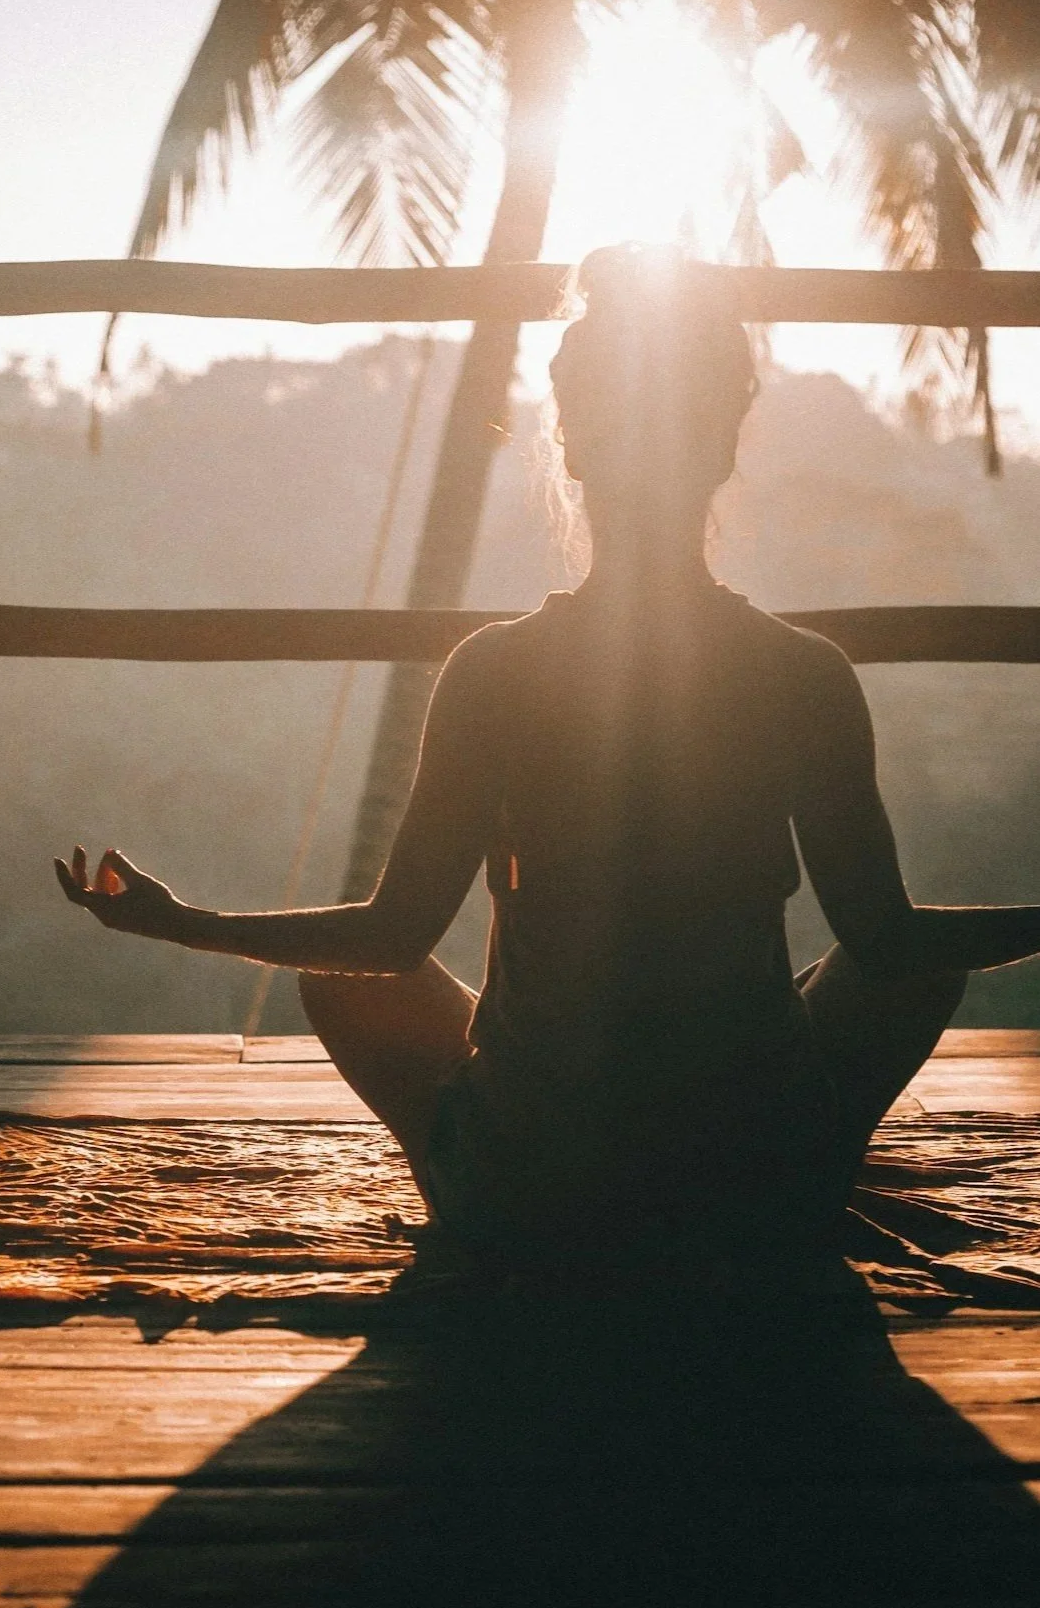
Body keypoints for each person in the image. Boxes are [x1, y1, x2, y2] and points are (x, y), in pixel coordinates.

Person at [57, 244, 1040, 1282]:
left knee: (343, 985)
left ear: (571, 446)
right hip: (755, 1183)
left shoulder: (495, 671)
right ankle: (801, 1163)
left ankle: (472, 1180)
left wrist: (181, 922)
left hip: (535, 1189)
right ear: (723, 446)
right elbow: (883, 942)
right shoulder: (801, 673)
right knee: (907, 970)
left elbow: (392, 937)